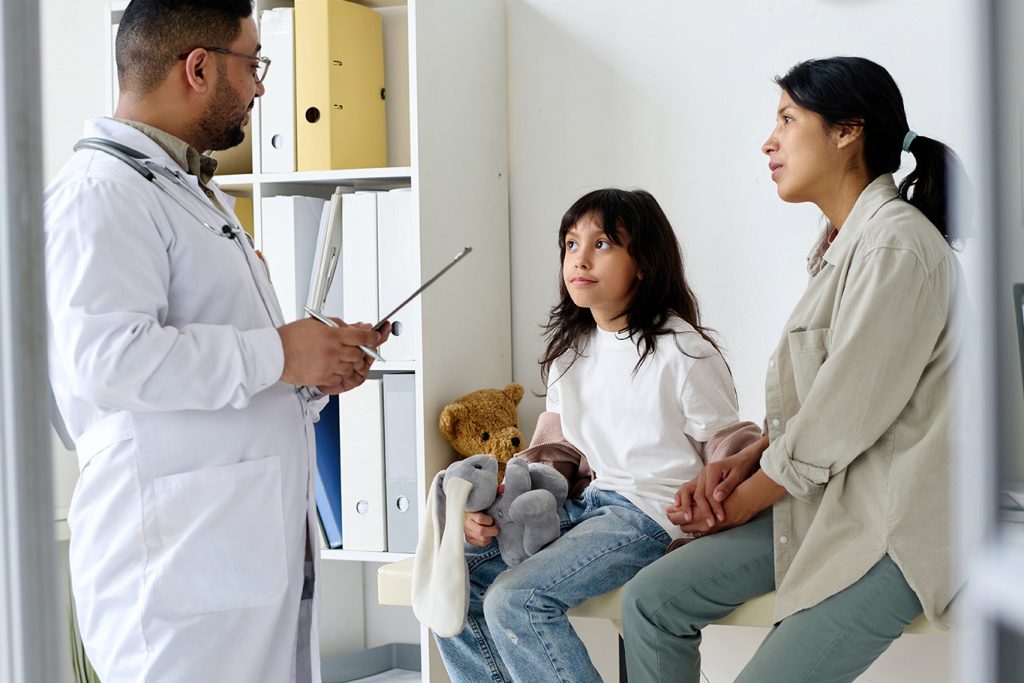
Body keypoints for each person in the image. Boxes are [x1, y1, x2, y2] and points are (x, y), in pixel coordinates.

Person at [44, 1, 385, 681]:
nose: (262, 86)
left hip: (226, 555)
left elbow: (214, 377)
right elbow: (106, 362)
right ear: (198, 68)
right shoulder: (101, 194)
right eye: (253, 63)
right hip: (173, 573)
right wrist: (282, 354)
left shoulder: (188, 192)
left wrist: (309, 372)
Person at [621, 56, 964, 683]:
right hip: (828, 499)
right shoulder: (843, 246)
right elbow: (824, 404)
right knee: (650, 601)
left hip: (889, 527)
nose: (768, 140)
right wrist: (744, 460)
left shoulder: (895, 246)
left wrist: (737, 502)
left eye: (787, 118)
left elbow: (842, 416)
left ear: (846, 131)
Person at [435, 188, 741, 682]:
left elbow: (728, 448)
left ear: (642, 262)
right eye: (571, 244)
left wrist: (715, 515)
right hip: (589, 505)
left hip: (648, 517)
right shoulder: (571, 351)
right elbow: (555, 451)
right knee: (456, 580)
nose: (580, 258)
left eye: (601, 244)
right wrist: (499, 508)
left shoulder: (683, 351)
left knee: (518, 600)